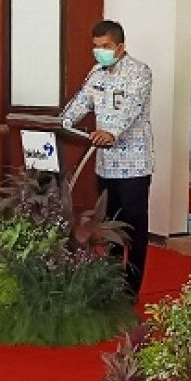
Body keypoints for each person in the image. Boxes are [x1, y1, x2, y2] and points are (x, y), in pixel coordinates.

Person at [61, 20, 154, 300]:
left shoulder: (140, 72)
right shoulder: (96, 73)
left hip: (134, 164)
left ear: (121, 47)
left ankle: (131, 288)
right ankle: (111, 282)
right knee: (109, 226)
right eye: (96, 47)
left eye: (106, 47)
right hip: (105, 165)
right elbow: (81, 102)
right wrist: (61, 122)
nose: (99, 52)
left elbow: (131, 108)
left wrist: (112, 132)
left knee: (133, 227)